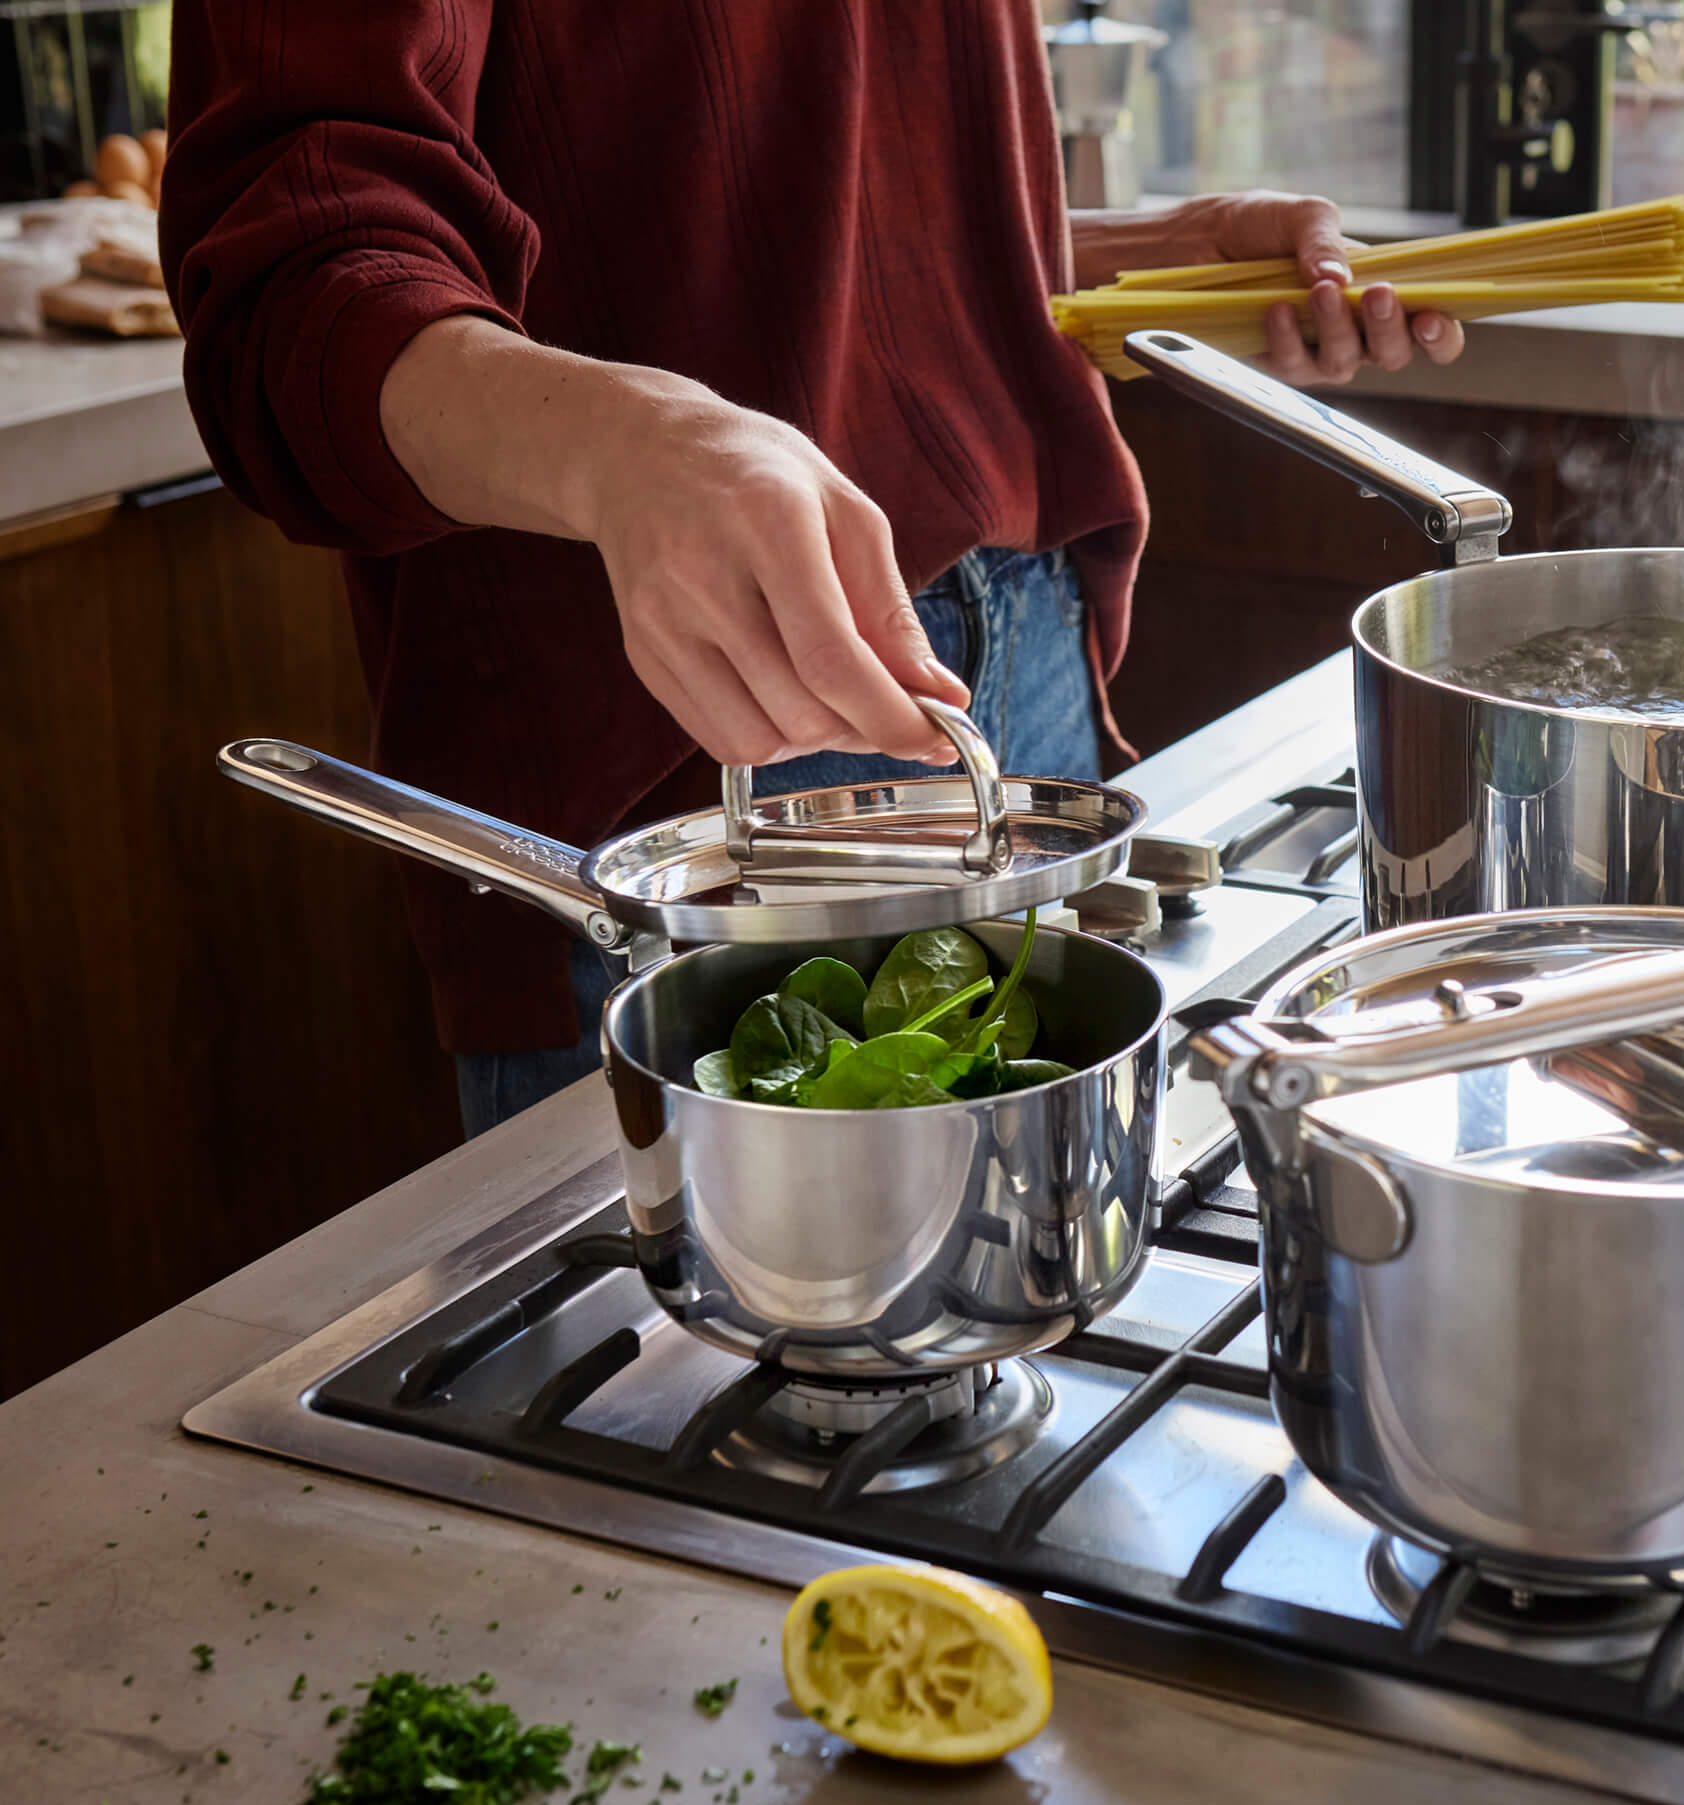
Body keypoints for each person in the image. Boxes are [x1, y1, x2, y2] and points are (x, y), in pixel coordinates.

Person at [161, 3, 1463, 1134]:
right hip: (686, 730)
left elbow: (779, 191)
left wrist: (1094, 257)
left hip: (1027, 623)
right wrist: (625, 448)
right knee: (722, 1369)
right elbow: (292, 287)